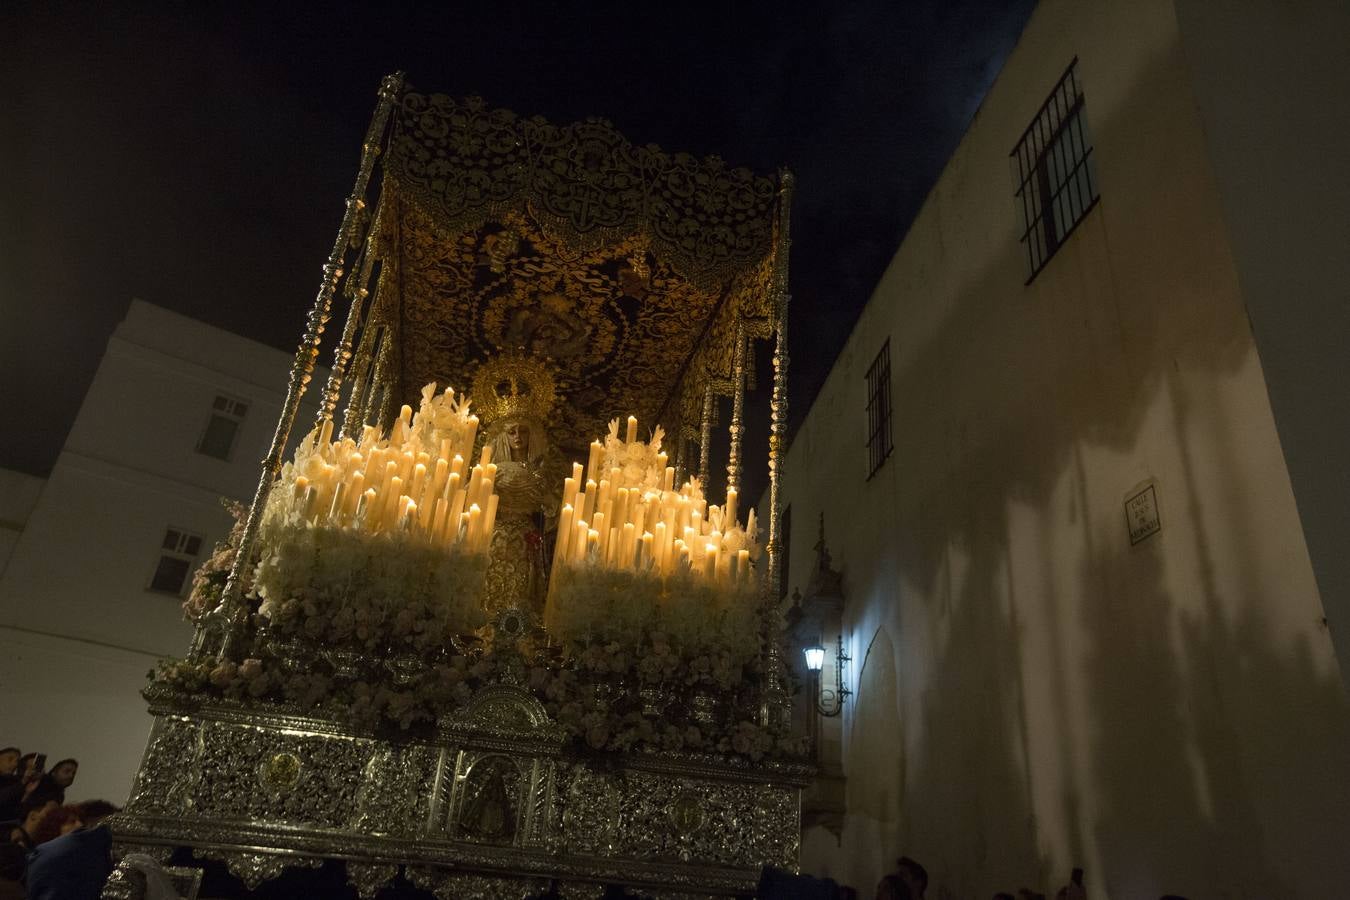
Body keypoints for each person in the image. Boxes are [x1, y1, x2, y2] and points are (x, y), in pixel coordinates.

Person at [23, 800, 121, 900]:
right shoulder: (46, 856)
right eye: (72, 821)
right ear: (54, 827)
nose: (80, 825)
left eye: (81, 822)